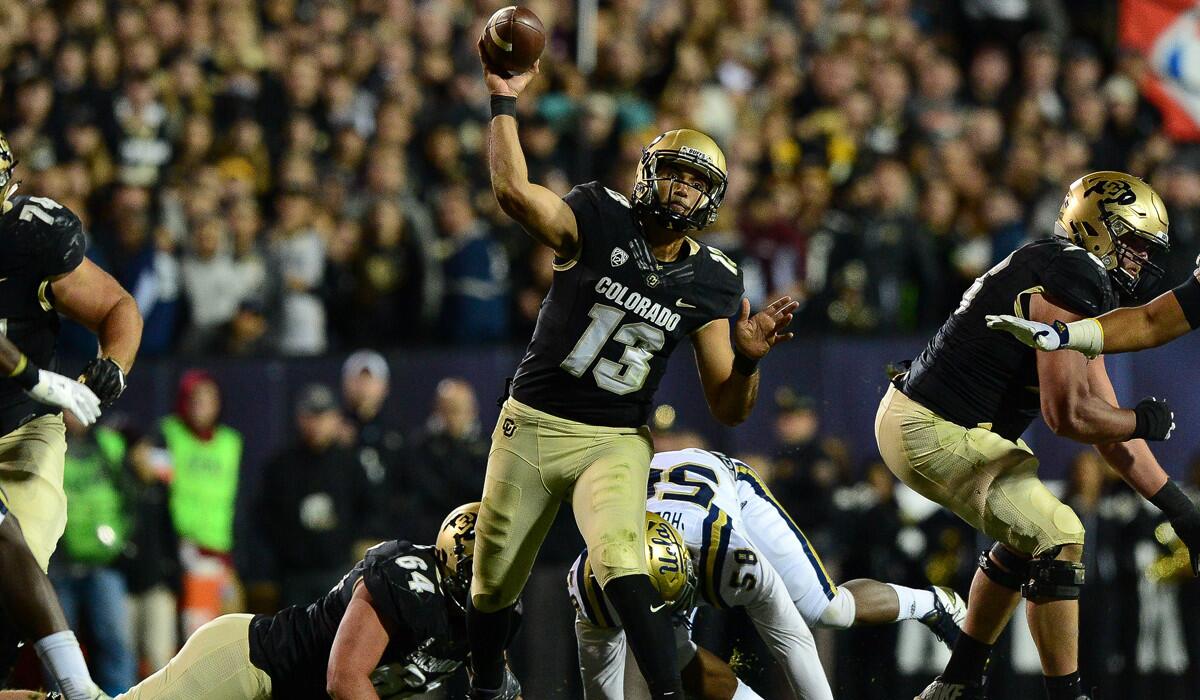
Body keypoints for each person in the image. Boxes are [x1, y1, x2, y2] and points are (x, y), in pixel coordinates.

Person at [470, 47, 798, 700]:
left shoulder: (713, 280)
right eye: (675, 173)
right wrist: (504, 101)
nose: (683, 188)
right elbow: (512, 192)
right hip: (534, 421)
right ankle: (485, 685)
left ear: (712, 198)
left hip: (614, 438)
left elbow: (729, 406)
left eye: (697, 182)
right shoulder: (597, 214)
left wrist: (752, 360)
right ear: (650, 173)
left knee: (625, 561)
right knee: (492, 584)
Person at [875, 171, 1195, 700]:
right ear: (1097, 227)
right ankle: (1063, 695)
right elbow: (1067, 415)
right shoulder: (1074, 271)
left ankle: (957, 682)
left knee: (1026, 534)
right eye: (1134, 242)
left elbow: (1104, 422)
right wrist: (1144, 421)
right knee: (1059, 533)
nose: (1140, 258)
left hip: (932, 420)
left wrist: (1181, 510)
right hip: (933, 426)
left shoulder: (1066, 268)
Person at [572, 448, 967, 699]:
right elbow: (601, 689)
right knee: (675, 654)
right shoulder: (591, 581)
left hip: (727, 485)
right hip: (647, 515)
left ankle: (933, 602)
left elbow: (792, 641)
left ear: (689, 571)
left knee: (827, 610)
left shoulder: (729, 557)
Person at [43, 503, 517, 699]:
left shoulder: (495, 613)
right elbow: (345, 679)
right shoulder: (404, 580)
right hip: (252, 667)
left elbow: (497, 686)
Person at [1, 130, 143, 700]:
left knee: (20, 554)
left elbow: (116, 305)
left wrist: (114, 363)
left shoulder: (31, 239)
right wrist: (36, 376)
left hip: (20, 428)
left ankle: (73, 688)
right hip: (29, 390)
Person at [258, 384, 371, 608]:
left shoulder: (350, 463)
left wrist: (351, 546)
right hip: (295, 575)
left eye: (323, 416)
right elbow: (264, 516)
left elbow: (369, 509)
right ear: (299, 419)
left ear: (336, 419)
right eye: (310, 416)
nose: (317, 424)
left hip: (339, 571)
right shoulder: (282, 465)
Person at [50, 411, 136, 696]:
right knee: (58, 649)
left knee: (114, 643)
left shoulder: (111, 445)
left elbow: (131, 495)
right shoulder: (47, 443)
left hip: (105, 563)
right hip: (59, 565)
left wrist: (121, 542)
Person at [153, 371, 243, 636]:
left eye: (209, 399)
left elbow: (237, 500)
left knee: (226, 635)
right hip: (181, 550)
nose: (202, 405)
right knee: (195, 635)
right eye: (195, 398)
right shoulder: (168, 433)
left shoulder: (230, 442)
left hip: (218, 553)